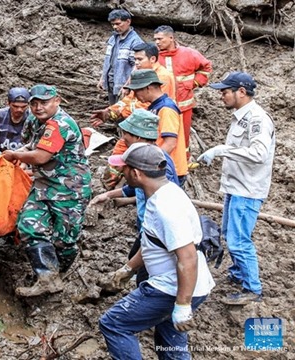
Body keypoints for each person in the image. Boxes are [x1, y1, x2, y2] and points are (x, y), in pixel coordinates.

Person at [99, 143, 215, 359]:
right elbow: (154, 242)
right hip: (190, 287)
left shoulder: (166, 208)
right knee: (170, 344)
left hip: (171, 289)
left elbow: (187, 258)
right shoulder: (166, 193)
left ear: (135, 173)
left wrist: (182, 304)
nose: (121, 173)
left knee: (114, 324)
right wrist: (127, 269)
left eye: (123, 169)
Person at [2, 84, 92, 297]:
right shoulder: (34, 120)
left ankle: (58, 277)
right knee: (29, 225)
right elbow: (30, 146)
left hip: (70, 188)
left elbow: (41, 156)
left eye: (44, 102)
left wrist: (14, 156)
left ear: (57, 101)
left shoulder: (60, 124)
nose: (38, 107)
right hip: (44, 184)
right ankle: (46, 277)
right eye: (34, 103)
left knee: (65, 239)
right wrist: (16, 153)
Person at [198, 72, 274, 306]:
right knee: (230, 233)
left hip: (248, 190)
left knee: (238, 240)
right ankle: (239, 274)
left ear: (241, 92)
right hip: (237, 185)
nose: (222, 96)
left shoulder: (257, 119)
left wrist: (221, 150)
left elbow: (259, 154)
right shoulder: (241, 117)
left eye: (225, 91)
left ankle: (253, 288)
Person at [90, 109, 179, 284]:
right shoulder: (143, 159)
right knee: (137, 258)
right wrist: (107, 195)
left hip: (156, 227)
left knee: (147, 269)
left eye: (126, 134)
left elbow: (168, 201)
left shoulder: (158, 163)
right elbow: (133, 189)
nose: (123, 138)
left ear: (138, 137)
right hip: (146, 225)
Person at [154, 25, 212, 156]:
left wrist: (195, 83)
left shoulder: (189, 53)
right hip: (162, 107)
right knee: (163, 134)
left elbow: (206, 67)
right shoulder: (154, 56)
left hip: (184, 105)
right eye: (155, 39)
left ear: (171, 38)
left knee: (183, 135)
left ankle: (184, 161)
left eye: (160, 39)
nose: (157, 42)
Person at [124, 69, 188, 185]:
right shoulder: (155, 107)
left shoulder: (166, 108)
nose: (135, 95)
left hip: (168, 169)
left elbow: (170, 143)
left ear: (148, 88)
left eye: (137, 91)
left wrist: (150, 164)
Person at [91, 42, 176, 127]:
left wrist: (117, 112)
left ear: (152, 59)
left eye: (140, 59)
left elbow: (146, 106)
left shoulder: (162, 77)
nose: (136, 63)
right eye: (135, 59)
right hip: (142, 122)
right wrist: (110, 111)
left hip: (157, 124)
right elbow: (130, 98)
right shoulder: (141, 74)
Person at [98, 9, 143, 105]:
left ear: (128, 21)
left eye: (118, 24)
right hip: (111, 82)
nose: (115, 27)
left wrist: (127, 86)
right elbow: (108, 60)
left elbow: (137, 66)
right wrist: (103, 78)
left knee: (122, 113)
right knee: (113, 111)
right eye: (113, 24)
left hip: (123, 84)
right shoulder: (113, 38)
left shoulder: (135, 42)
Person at [0, 87, 31, 152]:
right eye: (15, 106)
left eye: (23, 107)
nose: (19, 110)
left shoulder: (32, 117)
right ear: (8, 103)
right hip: (4, 154)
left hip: (24, 155)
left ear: (28, 105)